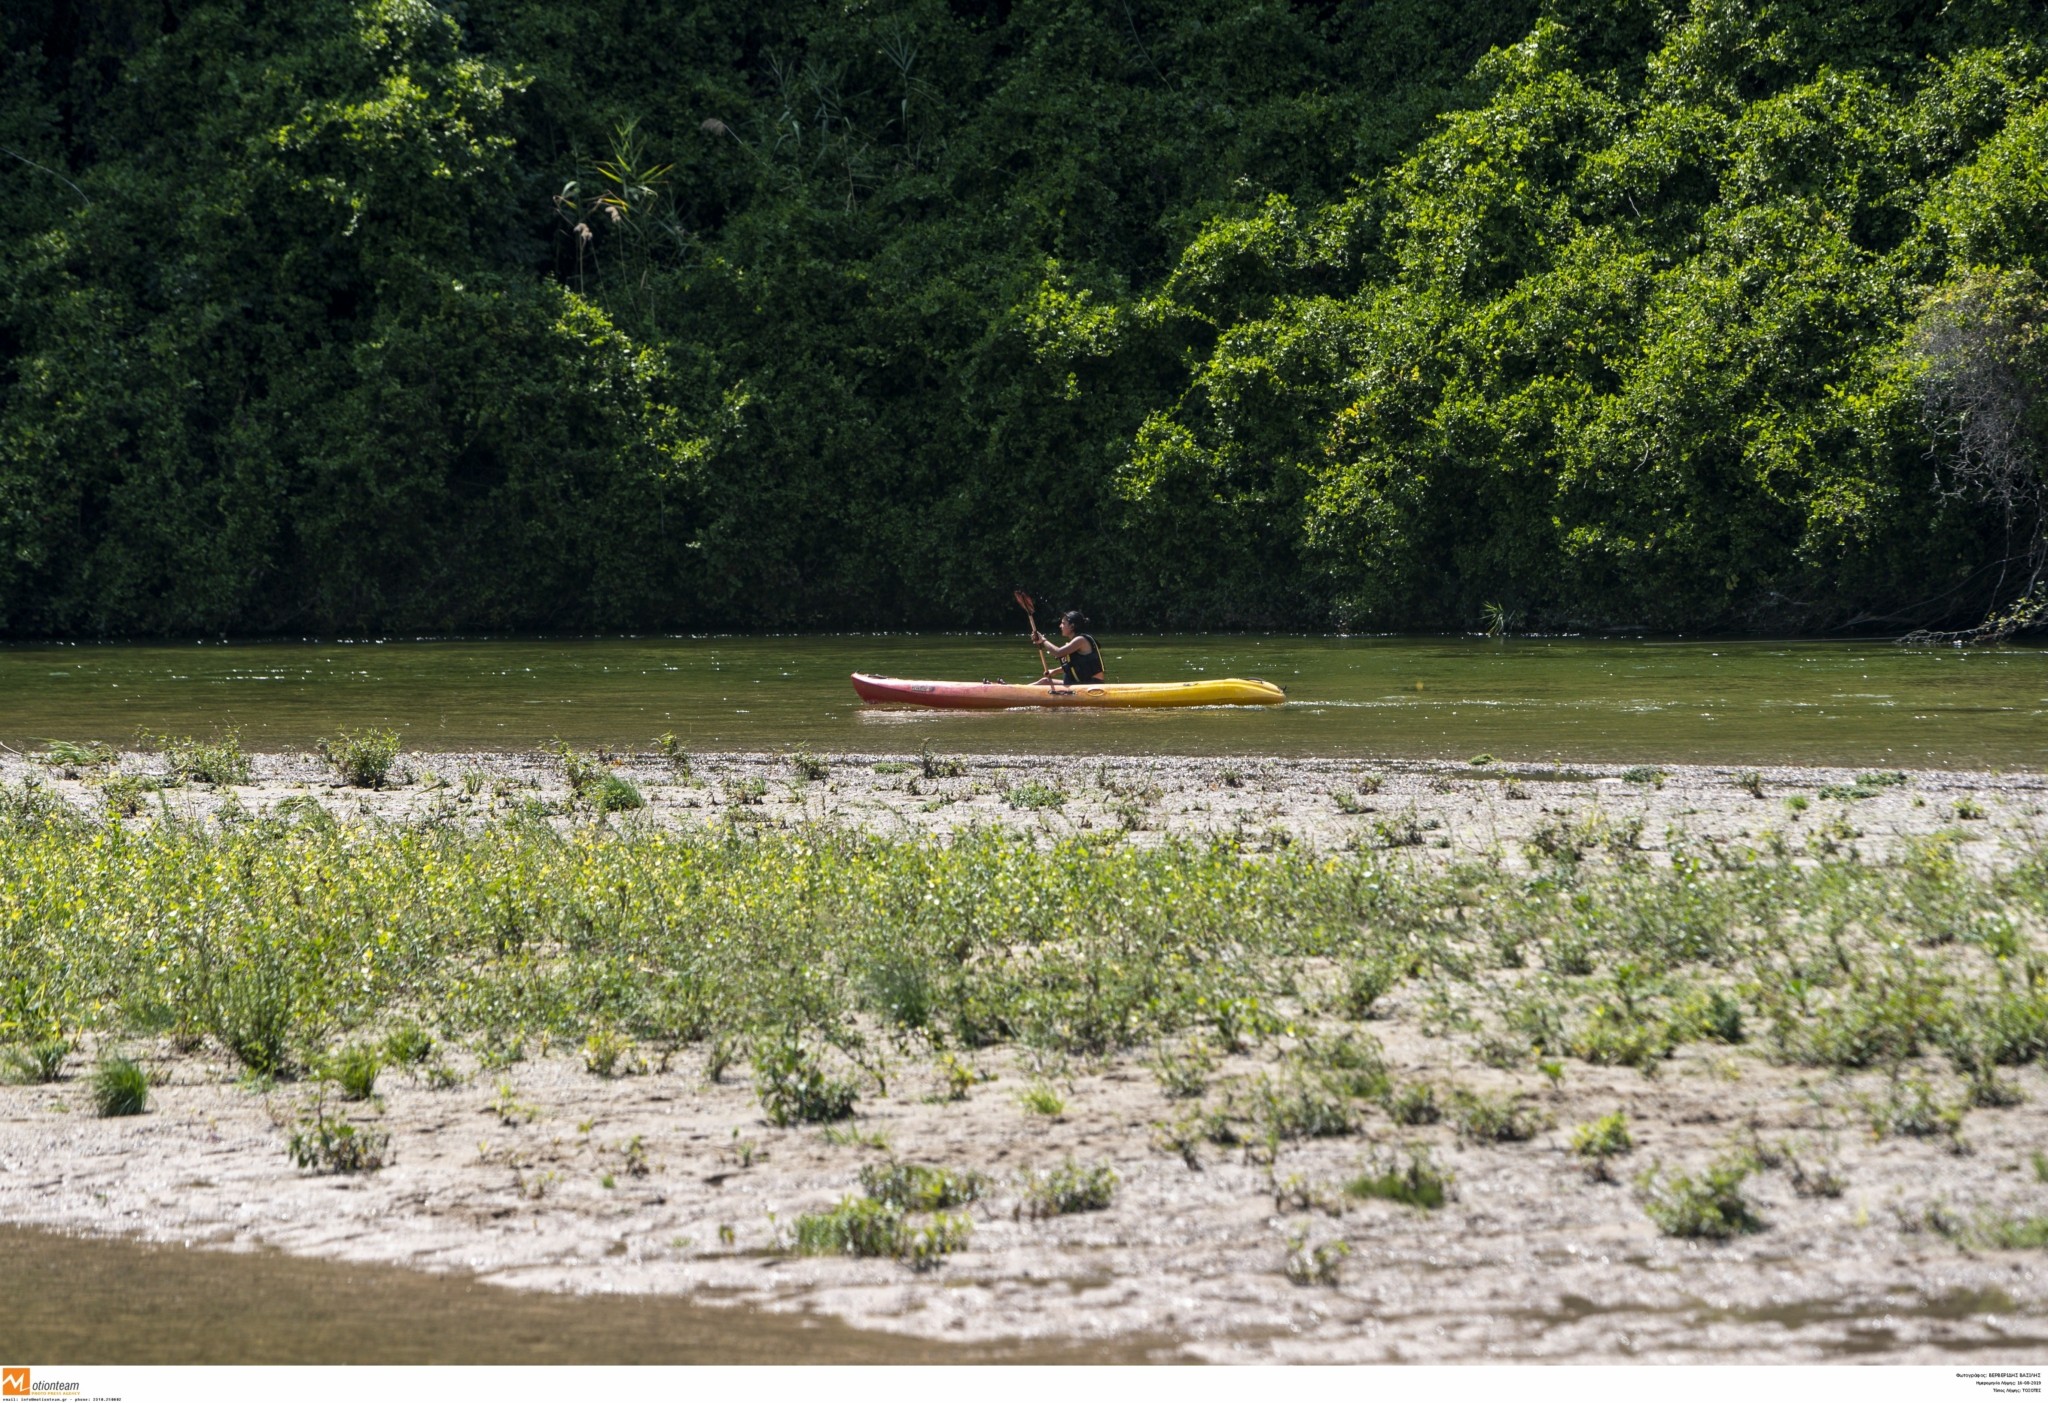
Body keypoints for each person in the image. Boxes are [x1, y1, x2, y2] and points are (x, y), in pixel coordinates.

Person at [1031, 610, 1104, 686]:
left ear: (1072, 626)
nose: (1060, 626)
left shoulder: (1081, 640)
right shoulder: (1075, 641)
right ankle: (1018, 690)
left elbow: (1058, 652)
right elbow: (1074, 665)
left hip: (1092, 684)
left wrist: (1043, 640)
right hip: (1081, 684)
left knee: (1045, 683)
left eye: (1063, 623)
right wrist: (1054, 671)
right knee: (1045, 681)